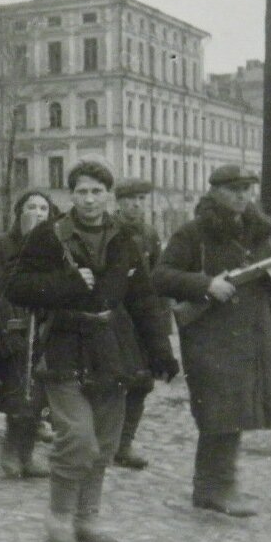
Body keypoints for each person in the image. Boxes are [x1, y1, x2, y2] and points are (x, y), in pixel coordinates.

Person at [5, 158, 178, 542]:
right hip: (65, 343)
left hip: (112, 346)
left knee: (103, 440)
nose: (88, 199)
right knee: (77, 437)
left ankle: (88, 517)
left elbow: (144, 299)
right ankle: (60, 515)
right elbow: (16, 286)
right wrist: (63, 284)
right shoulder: (49, 236)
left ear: (109, 195)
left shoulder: (126, 238)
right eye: (81, 191)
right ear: (70, 195)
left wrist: (161, 350)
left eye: (97, 191)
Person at [152, 165, 271, 517]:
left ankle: (220, 485)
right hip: (210, 338)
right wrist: (206, 285)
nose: (241, 196)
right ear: (214, 192)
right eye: (233, 189)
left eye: (247, 189)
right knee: (218, 412)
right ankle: (213, 488)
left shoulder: (258, 234)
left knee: (237, 412)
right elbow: (160, 275)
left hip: (252, 335)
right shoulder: (193, 234)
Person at [0, 189, 59, 479]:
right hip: (13, 329)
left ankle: (28, 453)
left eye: (43, 208)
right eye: (31, 207)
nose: (37, 213)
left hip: (46, 329)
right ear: (19, 212)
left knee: (39, 396)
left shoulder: (57, 245)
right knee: (17, 392)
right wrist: (9, 323)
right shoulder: (3, 246)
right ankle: (11, 449)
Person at [111, 178, 166, 469]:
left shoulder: (149, 235)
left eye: (141, 199)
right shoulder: (108, 232)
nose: (136, 204)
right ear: (118, 202)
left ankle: (124, 444)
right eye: (130, 199)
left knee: (142, 383)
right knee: (107, 380)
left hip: (141, 320)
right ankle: (103, 440)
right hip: (113, 318)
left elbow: (158, 281)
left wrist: (160, 328)